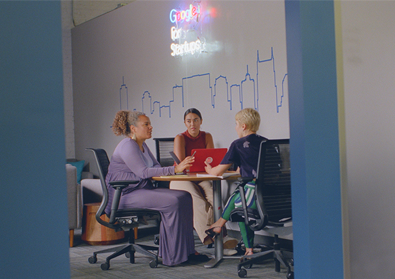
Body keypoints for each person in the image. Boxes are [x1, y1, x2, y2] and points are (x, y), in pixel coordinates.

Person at [105, 110, 209, 266]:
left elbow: (156, 167)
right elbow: (144, 172)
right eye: (146, 124)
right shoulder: (127, 145)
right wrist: (175, 169)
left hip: (141, 190)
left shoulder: (143, 146)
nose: (150, 127)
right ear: (133, 128)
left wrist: (178, 169)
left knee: (185, 196)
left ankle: (188, 251)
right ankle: (174, 257)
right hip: (124, 194)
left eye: (149, 124)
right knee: (173, 201)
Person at [204, 108, 267, 257]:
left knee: (240, 205)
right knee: (240, 198)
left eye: (236, 124)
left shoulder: (238, 144)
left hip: (253, 196)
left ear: (243, 126)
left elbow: (217, 172)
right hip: (271, 195)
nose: (235, 127)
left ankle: (222, 226)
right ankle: (245, 246)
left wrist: (208, 169)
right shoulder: (266, 142)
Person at [169, 108, 216, 245]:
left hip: (201, 177)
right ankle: (208, 238)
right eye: (188, 121)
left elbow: (212, 160)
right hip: (181, 178)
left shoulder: (207, 136)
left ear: (201, 121)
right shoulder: (180, 138)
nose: (192, 124)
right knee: (198, 200)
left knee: (214, 198)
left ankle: (217, 235)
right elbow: (181, 166)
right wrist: (187, 164)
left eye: (195, 120)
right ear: (184, 123)